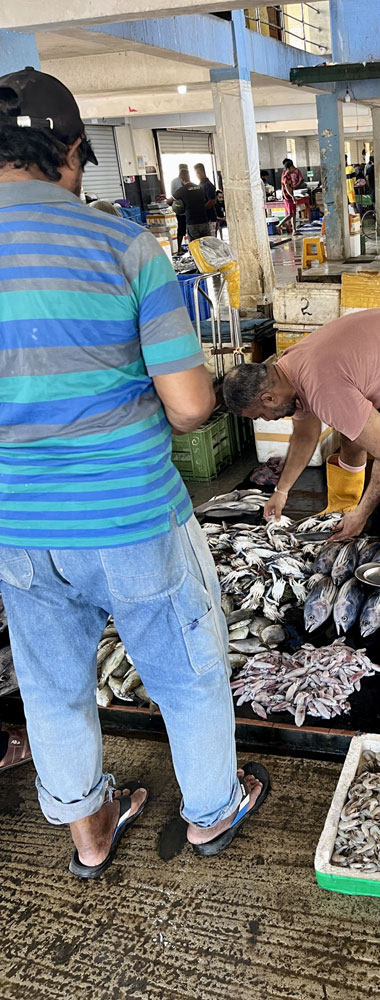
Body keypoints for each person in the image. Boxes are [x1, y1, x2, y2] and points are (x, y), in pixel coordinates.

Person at [0, 66, 270, 878]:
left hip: (18, 525)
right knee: (186, 671)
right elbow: (190, 406)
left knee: (51, 687)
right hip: (130, 513)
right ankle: (211, 812)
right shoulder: (123, 246)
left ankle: (89, 833)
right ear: (73, 150)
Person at [223, 309, 380, 647]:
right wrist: (281, 491)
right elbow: (305, 435)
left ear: (268, 397)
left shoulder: (322, 388)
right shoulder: (288, 371)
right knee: (351, 436)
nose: (268, 419)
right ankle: (347, 511)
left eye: (261, 414)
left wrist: (362, 513)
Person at [169, 168, 210, 241]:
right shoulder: (200, 188)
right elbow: (205, 200)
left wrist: (179, 204)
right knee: (207, 244)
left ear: (182, 179)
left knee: (194, 245)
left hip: (192, 222)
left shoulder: (182, 190)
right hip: (204, 221)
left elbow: (169, 201)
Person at [281, 157, 303, 234]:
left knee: (294, 214)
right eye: (292, 167)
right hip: (287, 197)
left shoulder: (289, 175)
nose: (294, 169)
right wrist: (292, 196)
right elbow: (286, 187)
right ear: (289, 168)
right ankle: (279, 224)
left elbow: (291, 186)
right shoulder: (285, 176)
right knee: (290, 214)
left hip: (291, 196)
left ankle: (294, 230)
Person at [194, 162, 217, 236]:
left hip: (210, 217)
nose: (197, 175)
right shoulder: (200, 185)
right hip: (204, 219)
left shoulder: (208, 185)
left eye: (198, 173)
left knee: (211, 239)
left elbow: (212, 201)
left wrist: (201, 209)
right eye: (196, 173)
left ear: (203, 172)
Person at [171, 162, 189, 248]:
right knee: (183, 228)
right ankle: (180, 249)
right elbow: (174, 195)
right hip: (182, 209)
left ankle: (181, 248)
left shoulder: (174, 181)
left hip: (182, 209)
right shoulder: (178, 182)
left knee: (183, 228)